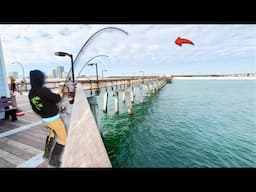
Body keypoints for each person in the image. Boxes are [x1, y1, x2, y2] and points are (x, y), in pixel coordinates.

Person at [28, 70, 67, 167]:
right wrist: (62, 92)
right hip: (53, 119)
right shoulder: (43, 90)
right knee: (63, 138)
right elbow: (57, 99)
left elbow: (35, 109)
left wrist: (43, 112)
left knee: (52, 133)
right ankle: (53, 160)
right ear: (40, 79)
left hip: (45, 120)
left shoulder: (31, 93)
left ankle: (46, 153)